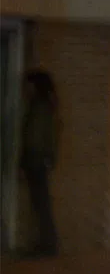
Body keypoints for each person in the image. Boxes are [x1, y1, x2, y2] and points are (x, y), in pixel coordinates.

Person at [20, 69, 61, 258]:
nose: (25, 89)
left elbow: (35, 137)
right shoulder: (44, 106)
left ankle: (48, 245)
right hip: (38, 160)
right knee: (40, 204)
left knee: (41, 204)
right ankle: (46, 243)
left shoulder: (40, 107)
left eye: (29, 85)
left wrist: (26, 159)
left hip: (36, 161)